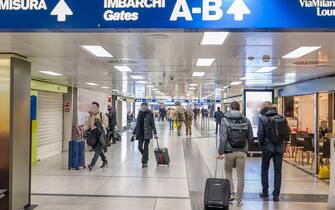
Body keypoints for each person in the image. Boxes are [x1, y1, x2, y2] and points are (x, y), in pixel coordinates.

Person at [218, 101, 253, 206]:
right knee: (240, 175)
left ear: (230, 108)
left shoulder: (224, 120)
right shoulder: (246, 120)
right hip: (242, 152)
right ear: (239, 109)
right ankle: (239, 199)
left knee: (228, 172)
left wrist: (220, 152)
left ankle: (231, 194)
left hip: (229, 151)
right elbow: (250, 137)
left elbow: (223, 138)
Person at [258, 101, 290, 202]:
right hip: (280, 148)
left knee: (264, 169)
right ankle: (276, 194)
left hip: (267, 148)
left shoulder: (262, 118)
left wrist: (261, 145)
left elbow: (260, 134)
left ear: (264, 108)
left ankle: (265, 192)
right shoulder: (281, 118)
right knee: (278, 171)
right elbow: (287, 132)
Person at [132, 103, 159, 168]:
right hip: (140, 133)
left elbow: (152, 124)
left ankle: (144, 162)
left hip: (147, 133)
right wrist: (134, 133)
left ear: (147, 107)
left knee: (146, 147)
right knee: (139, 147)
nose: (143, 108)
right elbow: (137, 124)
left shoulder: (150, 113)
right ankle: (146, 157)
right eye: (142, 107)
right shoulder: (139, 113)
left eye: (144, 107)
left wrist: (155, 133)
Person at [85, 102, 109, 171]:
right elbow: (88, 125)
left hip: (101, 135)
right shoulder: (91, 116)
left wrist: (98, 126)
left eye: (94, 107)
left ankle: (92, 164)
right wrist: (83, 128)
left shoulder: (102, 115)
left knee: (98, 150)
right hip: (94, 135)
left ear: (98, 108)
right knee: (98, 149)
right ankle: (104, 160)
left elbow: (106, 124)